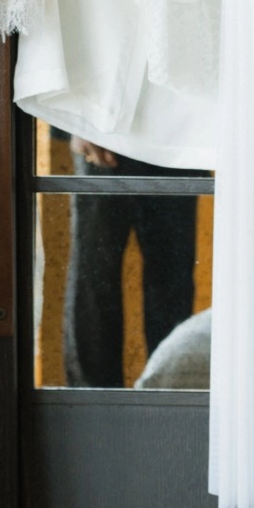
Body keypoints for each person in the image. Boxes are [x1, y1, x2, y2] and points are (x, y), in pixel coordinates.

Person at [62, 134, 204, 388]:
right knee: (94, 278)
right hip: (104, 128)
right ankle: (93, 403)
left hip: (176, 133)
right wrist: (78, 125)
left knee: (173, 282)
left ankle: (171, 397)